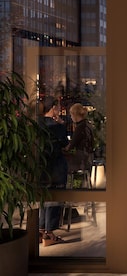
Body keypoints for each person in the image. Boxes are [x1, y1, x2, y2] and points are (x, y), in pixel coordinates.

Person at [38, 96, 68, 246]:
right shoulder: (58, 127)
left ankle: (41, 230)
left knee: (43, 198)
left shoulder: (36, 124)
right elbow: (65, 144)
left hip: (40, 166)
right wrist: (62, 123)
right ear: (53, 108)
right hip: (56, 166)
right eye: (57, 107)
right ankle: (49, 234)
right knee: (55, 197)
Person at [64, 103, 95, 188]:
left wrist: (64, 149)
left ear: (75, 115)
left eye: (71, 115)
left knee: (62, 161)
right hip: (88, 157)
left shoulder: (80, 127)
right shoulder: (87, 125)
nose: (70, 117)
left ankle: (64, 188)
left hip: (82, 159)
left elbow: (72, 145)